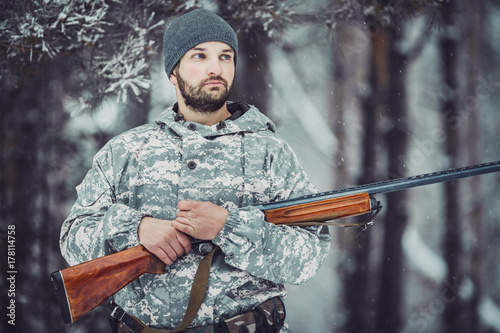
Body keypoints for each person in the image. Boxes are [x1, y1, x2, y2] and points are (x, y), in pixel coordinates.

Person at [60, 8, 330, 333]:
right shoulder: (124, 152)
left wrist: (228, 228)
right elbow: (73, 241)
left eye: (225, 56)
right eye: (199, 55)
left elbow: (307, 260)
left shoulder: (271, 153)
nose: (216, 68)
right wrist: (136, 229)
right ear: (173, 72)